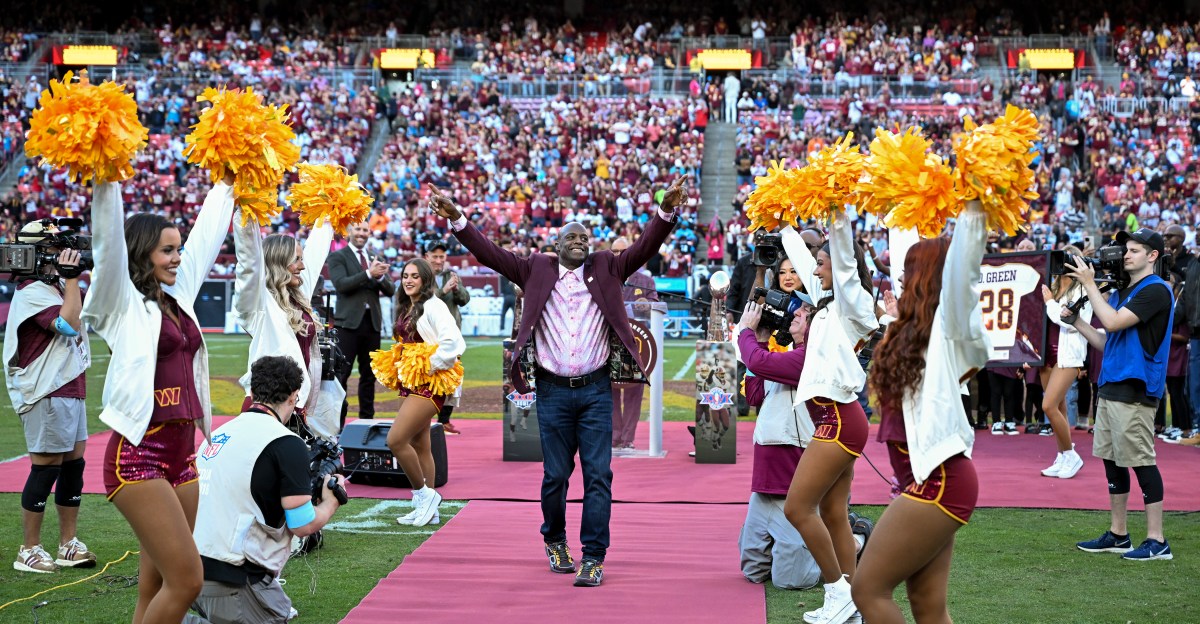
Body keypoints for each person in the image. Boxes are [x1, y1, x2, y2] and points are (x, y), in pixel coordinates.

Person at [428, 176, 687, 588]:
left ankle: (594, 556)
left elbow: (644, 247)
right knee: (555, 475)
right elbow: (489, 253)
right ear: (558, 243)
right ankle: (554, 540)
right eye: (573, 236)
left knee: (599, 475)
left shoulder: (607, 265)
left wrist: (666, 213)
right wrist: (457, 218)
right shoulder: (535, 268)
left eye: (586, 236)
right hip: (551, 390)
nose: (581, 241)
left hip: (596, 390)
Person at [82, 176, 235, 623]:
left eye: (177, 249)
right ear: (142, 252)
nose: (177, 258)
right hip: (138, 455)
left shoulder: (177, 297)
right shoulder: (121, 302)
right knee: (188, 581)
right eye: (167, 250)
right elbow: (106, 244)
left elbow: (207, 238)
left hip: (183, 457)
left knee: (156, 584)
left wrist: (228, 182)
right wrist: (106, 177)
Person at [852, 201, 989, 624]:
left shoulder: (951, 331)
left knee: (867, 589)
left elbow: (963, 276)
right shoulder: (904, 331)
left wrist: (975, 208)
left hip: (941, 479)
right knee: (928, 607)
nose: (898, 275)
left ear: (926, 277)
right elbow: (850, 277)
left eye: (908, 269)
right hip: (927, 479)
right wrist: (898, 206)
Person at [192, 356, 347, 624]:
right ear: (293, 397)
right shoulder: (286, 442)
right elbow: (301, 524)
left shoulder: (217, 434)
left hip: (190, 567)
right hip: (233, 575)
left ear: (252, 392)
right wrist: (332, 501)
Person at [784, 210, 878, 624]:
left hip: (838, 418)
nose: (814, 268)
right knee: (833, 513)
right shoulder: (825, 305)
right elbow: (807, 262)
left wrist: (838, 217)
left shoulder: (854, 304)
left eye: (821, 263)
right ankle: (852, 600)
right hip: (836, 417)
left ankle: (837, 590)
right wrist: (781, 224)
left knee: (797, 508)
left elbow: (841, 262)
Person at [1066, 228, 1176, 560]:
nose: (1125, 255)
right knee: (1112, 461)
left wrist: (1088, 284)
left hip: (1137, 386)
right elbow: (1106, 340)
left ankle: (1157, 540)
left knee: (1141, 461)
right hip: (1112, 383)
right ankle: (1118, 534)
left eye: (1134, 250)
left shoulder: (1156, 289)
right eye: (1125, 249)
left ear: (1152, 256)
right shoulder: (1123, 291)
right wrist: (1077, 323)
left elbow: (1112, 323)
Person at [4, 221, 96, 573]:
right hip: (46, 389)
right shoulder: (32, 292)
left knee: (73, 468)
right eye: (55, 246)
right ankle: (28, 549)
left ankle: (67, 544)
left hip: (69, 385)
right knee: (46, 469)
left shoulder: (54, 286)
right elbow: (68, 323)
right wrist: (72, 279)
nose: (62, 252)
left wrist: (71, 280)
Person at [231, 211, 337, 433]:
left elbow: (317, 251)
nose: (303, 266)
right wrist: (246, 214)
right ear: (279, 261)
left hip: (294, 407)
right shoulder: (260, 303)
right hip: (266, 407)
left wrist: (329, 206)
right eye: (296, 259)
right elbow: (248, 264)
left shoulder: (297, 294)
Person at [389, 258, 465, 527]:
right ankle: (429, 510)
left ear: (425, 280)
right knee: (421, 444)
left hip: (430, 383)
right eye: (405, 275)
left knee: (396, 440)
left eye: (414, 276)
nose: (408, 280)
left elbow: (454, 343)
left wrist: (429, 366)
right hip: (413, 382)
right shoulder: (407, 305)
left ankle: (424, 496)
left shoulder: (434, 306)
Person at [327, 220, 396, 427]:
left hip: (371, 324)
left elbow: (391, 290)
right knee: (342, 375)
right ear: (349, 231)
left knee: (369, 376)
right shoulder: (337, 257)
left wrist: (380, 276)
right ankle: (336, 423)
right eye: (358, 229)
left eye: (365, 230)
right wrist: (368, 274)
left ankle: (367, 422)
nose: (362, 233)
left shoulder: (375, 258)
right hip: (347, 325)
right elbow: (341, 285)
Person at [1038, 246, 1090, 479]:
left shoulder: (1086, 291)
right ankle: (1061, 455)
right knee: (1057, 408)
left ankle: (1071, 455)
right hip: (1046, 355)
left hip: (1068, 355)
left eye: (1065, 261)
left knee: (1048, 405)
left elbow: (1070, 322)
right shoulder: (1053, 287)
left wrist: (1050, 303)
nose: (1061, 266)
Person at [610, 236, 659, 452]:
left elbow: (658, 306)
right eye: (614, 251)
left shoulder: (645, 281)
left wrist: (647, 304)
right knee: (609, 392)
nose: (618, 255)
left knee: (633, 393)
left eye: (622, 251)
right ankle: (613, 437)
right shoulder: (603, 277)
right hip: (607, 344)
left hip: (637, 345)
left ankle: (628, 438)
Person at [424, 240, 470, 434]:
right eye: (434, 256)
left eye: (441, 257)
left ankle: (444, 420)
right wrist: (444, 290)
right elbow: (423, 300)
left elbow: (465, 300)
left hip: (450, 337)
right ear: (426, 256)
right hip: (428, 337)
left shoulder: (450, 276)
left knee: (452, 379)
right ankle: (423, 419)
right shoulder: (421, 276)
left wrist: (457, 288)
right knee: (426, 378)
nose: (438, 260)